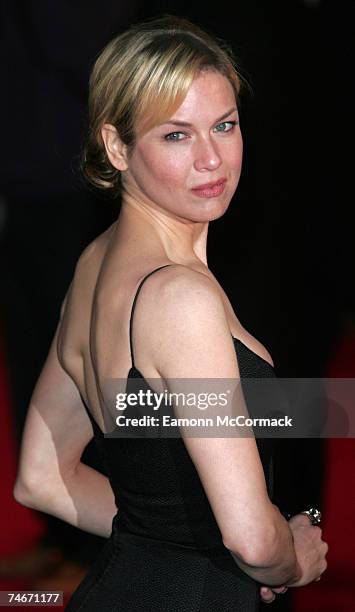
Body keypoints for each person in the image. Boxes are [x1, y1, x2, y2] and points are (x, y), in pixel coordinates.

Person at [13, 15, 328, 610]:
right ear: (116, 146)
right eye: (176, 135)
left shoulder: (93, 264)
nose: (212, 159)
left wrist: (175, 543)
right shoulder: (180, 298)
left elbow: (43, 477)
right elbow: (253, 542)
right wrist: (291, 553)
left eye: (225, 125)